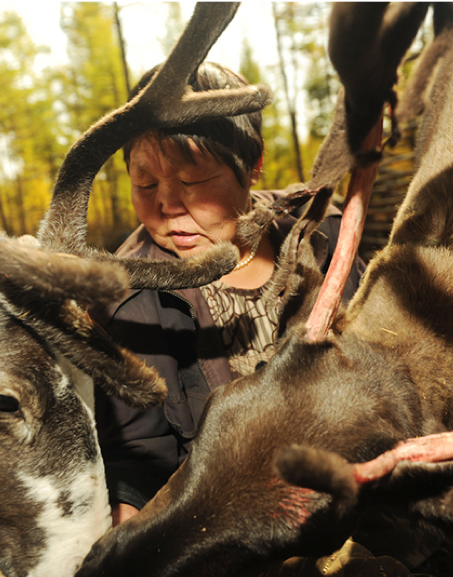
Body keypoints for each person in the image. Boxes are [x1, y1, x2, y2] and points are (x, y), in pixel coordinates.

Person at [94, 61, 366, 526]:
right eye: (145, 182)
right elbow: (138, 460)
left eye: (192, 180)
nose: (166, 204)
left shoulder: (323, 237)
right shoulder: (130, 304)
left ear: (252, 165)